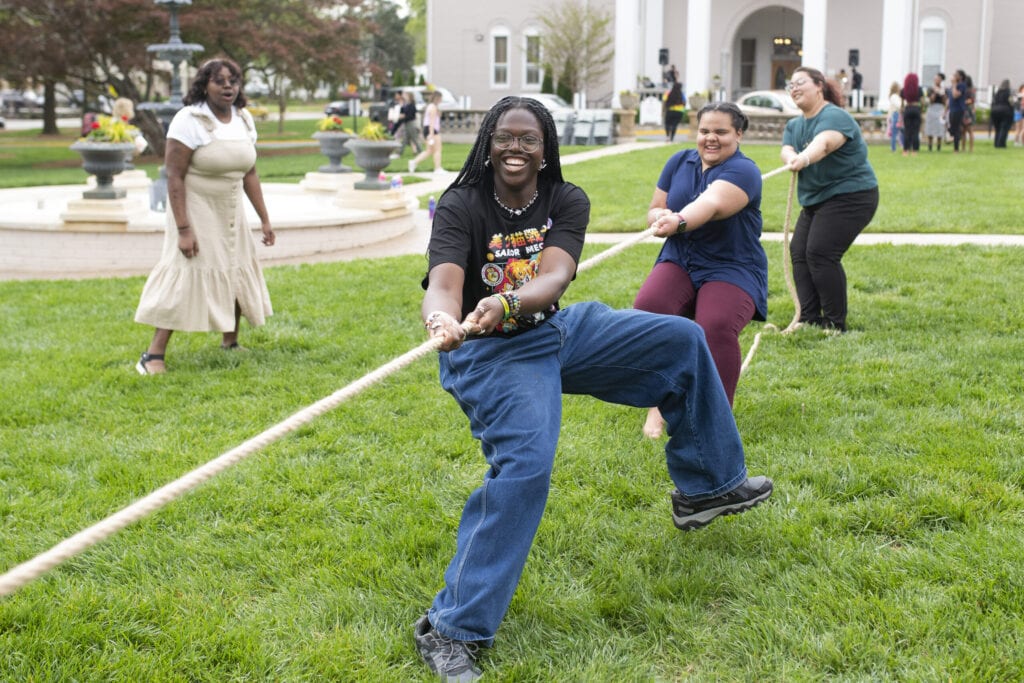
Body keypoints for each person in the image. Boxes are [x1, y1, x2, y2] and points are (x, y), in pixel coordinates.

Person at [415, 95, 772, 680]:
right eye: (505, 136)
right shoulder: (461, 203)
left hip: (550, 330)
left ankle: (706, 488)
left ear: (546, 146)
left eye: (529, 139)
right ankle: (452, 628)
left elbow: (553, 276)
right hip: (487, 354)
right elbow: (446, 281)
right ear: (486, 140)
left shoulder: (565, 199)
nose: (516, 149)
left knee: (682, 340)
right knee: (527, 465)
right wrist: (441, 320)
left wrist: (507, 301)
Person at [633, 102, 767, 438]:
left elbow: (712, 204)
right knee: (649, 310)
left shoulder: (744, 171)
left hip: (731, 264)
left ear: (738, 133)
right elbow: (655, 208)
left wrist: (678, 220)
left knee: (716, 325)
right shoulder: (679, 161)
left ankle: (716, 417)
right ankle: (658, 405)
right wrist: (659, 218)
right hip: (680, 258)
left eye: (721, 132)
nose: (711, 138)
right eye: (704, 131)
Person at [134, 58, 275, 375]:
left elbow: (250, 172)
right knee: (189, 272)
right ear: (204, 85)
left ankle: (231, 340)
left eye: (233, 80)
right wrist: (184, 228)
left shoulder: (243, 119)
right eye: (219, 80)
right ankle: (153, 354)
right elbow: (174, 176)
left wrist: (264, 219)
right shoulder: (189, 119)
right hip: (195, 207)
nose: (228, 86)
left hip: (231, 207)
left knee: (237, 267)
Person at [781, 66, 879, 333]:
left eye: (801, 82)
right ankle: (808, 318)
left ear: (819, 86)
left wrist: (805, 158)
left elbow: (824, 143)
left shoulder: (835, 116)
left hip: (852, 196)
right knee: (799, 253)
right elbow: (787, 147)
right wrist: (791, 157)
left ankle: (835, 324)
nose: (794, 88)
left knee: (821, 253)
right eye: (791, 84)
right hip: (816, 200)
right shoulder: (794, 124)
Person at [410, 90, 443, 174]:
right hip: (432, 130)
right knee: (437, 150)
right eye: (441, 98)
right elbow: (432, 122)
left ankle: (413, 162)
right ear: (438, 98)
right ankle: (437, 168)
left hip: (428, 130)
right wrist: (431, 134)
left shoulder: (430, 106)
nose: (441, 100)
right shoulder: (433, 108)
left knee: (429, 151)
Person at [945, 70, 968, 153]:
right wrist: (945, 110)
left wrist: (954, 84)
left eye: (956, 75)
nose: (953, 77)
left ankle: (956, 149)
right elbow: (949, 99)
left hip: (958, 109)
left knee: (956, 128)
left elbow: (955, 95)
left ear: (960, 77)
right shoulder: (953, 86)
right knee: (951, 127)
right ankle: (953, 139)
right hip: (952, 109)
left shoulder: (962, 85)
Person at [900, 73, 922, 155]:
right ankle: (914, 150)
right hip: (916, 109)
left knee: (907, 130)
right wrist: (921, 109)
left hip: (908, 109)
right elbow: (922, 101)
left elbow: (902, 103)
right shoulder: (919, 89)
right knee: (915, 131)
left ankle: (906, 150)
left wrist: (902, 110)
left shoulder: (904, 90)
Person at [396, 91, 423, 157]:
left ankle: (421, 152)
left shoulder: (411, 105)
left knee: (415, 139)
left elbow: (411, 115)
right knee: (404, 140)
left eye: (406, 95)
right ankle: (399, 153)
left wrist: (404, 116)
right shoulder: (406, 105)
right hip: (406, 124)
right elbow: (402, 112)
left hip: (411, 124)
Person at [924, 72, 946, 151]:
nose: (936, 80)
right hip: (932, 108)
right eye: (935, 79)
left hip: (940, 109)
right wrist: (935, 92)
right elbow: (931, 100)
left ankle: (939, 147)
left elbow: (945, 101)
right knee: (930, 128)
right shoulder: (930, 89)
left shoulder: (944, 89)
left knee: (940, 128)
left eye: (938, 79)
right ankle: (930, 146)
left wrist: (941, 93)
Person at [989, 79, 1013, 148]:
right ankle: (1001, 144)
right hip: (1005, 112)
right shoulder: (1008, 92)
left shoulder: (997, 92)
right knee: (1004, 128)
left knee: (997, 129)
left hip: (995, 111)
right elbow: (1011, 102)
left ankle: (996, 143)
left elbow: (993, 102)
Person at [887, 81, 903, 152]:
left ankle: (901, 145)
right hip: (896, 114)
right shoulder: (894, 97)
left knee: (899, 132)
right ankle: (893, 148)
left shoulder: (895, 96)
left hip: (896, 114)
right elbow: (898, 105)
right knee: (895, 132)